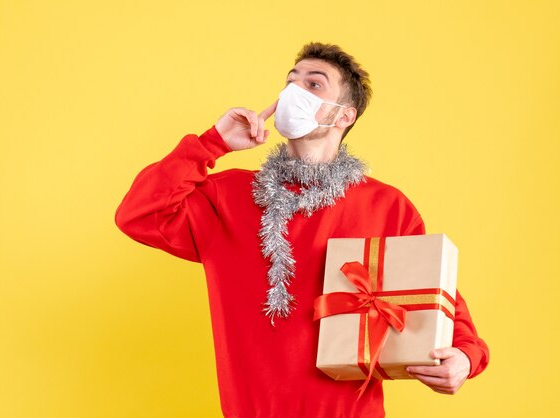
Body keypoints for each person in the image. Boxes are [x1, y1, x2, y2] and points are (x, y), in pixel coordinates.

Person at [114, 42, 489, 418]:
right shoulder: (227, 196)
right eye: (290, 81)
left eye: (313, 85)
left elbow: (438, 298)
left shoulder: (386, 207)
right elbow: (138, 214)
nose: (292, 92)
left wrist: (466, 357)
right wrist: (213, 143)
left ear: (344, 115)